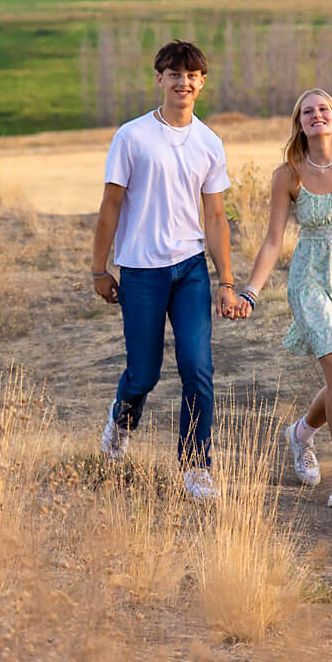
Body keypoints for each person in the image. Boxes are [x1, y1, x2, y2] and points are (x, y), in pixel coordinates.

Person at [92, 40, 243, 501]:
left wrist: (227, 282)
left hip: (191, 270)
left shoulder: (208, 142)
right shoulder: (132, 136)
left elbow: (215, 218)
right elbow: (109, 208)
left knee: (198, 368)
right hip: (140, 271)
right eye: (174, 74)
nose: (183, 82)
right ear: (159, 78)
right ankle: (120, 423)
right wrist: (99, 270)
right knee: (144, 374)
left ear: (202, 82)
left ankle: (196, 467)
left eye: (191, 75)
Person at [234, 88, 332, 508]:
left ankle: (301, 433)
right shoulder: (289, 174)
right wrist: (251, 290)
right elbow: (272, 241)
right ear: (299, 123)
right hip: (312, 280)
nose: (317, 115)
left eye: (324, 109)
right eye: (308, 111)